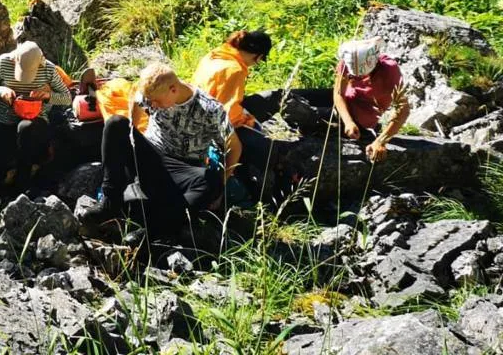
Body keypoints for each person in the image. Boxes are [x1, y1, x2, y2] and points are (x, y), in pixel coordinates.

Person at [83, 63, 240, 239]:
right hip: (152, 157)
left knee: (211, 180)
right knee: (115, 124)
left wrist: (222, 185)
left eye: (156, 101)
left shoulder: (209, 109)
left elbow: (234, 146)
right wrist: (133, 135)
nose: (152, 106)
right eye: (150, 101)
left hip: (183, 170)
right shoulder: (152, 95)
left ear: (173, 89)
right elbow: (136, 101)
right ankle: (110, 202)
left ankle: (150, 234)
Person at [243, 38, 409, 162]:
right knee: (280, 97)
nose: (356, 77)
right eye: (353, 75)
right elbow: (338, 93)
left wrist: (380, 140)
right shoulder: (347, 60)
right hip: (342, 108)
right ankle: (237, 119)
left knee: (298, 112)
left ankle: (250, 138)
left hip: (361, 118)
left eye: (361, 75)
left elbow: (403, 109)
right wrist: (347, 120)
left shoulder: (389, 70)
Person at [191, 30, 279, 200]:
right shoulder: (235, 69)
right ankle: (257, 191)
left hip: (197, 111)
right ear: (258, 57)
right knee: (266, 146)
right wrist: (249, 121)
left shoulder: (215, 55)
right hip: (211, 123)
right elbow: (227, 113)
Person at [0, 41, 72, 191]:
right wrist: (1, 91)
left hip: (35, 122)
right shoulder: (3, 63)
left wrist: (47, 96)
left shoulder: (48, 68)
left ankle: (23, 180)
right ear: (14, 59)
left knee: (25, 128)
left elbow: (67, 98)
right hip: (6, 119)